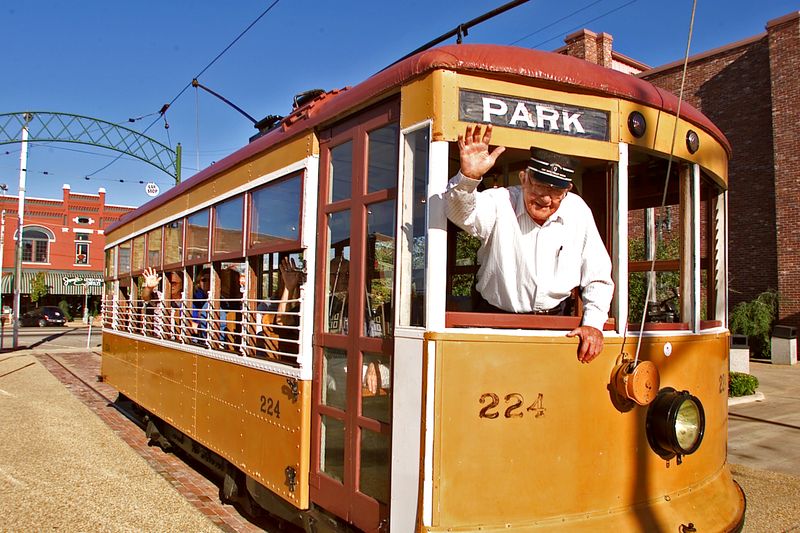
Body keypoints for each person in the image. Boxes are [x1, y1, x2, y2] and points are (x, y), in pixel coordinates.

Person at [445, 124, 613, 364]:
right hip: (495, 323)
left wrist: (593, 325)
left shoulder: (578, 210)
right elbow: (458, 214)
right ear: (524, 178)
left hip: (557, 326)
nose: (545, 198)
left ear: (568, 190)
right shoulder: (500, 201)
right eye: (540, 185)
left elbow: (597, 277)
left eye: (555, 190)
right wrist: (469, 178)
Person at [141, 267, 184, 339]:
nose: (171, 286)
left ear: (182, 284)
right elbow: (145, 297)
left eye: (174, 283)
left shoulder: (187, 299)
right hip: (160, 339)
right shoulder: (159, 297)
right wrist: (149, 288)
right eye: (169, 283)